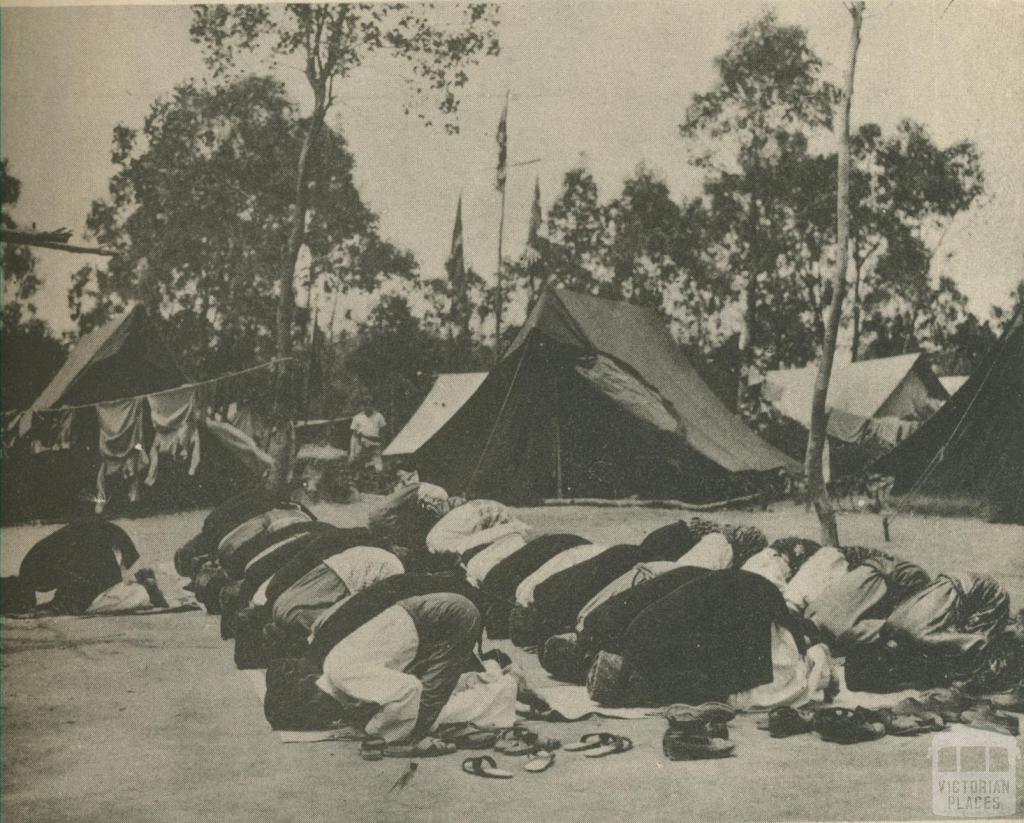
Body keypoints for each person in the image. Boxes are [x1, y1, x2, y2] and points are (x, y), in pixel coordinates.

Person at [6, 517, 166, 615]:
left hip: (101, 542)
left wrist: (64, 603)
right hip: (108, 535)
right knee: (100, 592)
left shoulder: (33, 572)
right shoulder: (30, 566)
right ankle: (140, 583)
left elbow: (78, 578)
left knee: (99, 600)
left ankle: (143, 588)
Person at [349, 403, 387, 473]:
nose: (368, 407)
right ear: (362, 406)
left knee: (379, 468)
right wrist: (352, 452)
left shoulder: (379, 416)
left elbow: (383, 432)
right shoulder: (357, 417)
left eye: (370, 404)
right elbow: (354, 435)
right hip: (361, 443)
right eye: (365, 405)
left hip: (375, 443)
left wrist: (383, 445)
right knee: (360, 466)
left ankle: (376, 477)